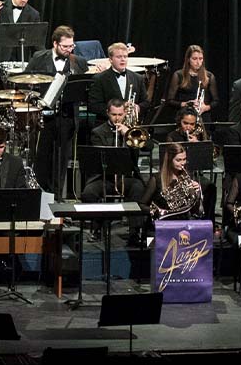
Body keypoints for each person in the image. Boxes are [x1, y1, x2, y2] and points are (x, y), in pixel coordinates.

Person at [25, 25, 87, 196]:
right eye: (65, 46)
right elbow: (25, 80)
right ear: (55, 44)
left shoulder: (78, 62)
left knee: (61, 160)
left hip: (67, 117)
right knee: (42, 158)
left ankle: (57, 198)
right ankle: (40, 196)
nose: (69, 50)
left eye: (71, 46)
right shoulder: (39, 57)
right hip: (44, 117)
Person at [82, 99, 147, 243]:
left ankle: (135, 232)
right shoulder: (98, 132)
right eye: (114, 114)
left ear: (125, 113)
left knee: (138, 188)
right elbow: (99, 158)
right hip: (105, 177)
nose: (117, 118)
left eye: (120, 114)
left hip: (126, 176)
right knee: (88, 193)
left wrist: (127, 134)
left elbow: (147, 147)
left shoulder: (132, 130)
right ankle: (98, 228)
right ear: (107, 113)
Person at [141, 143, 209, 221]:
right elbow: (142, 205)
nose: (183, 163)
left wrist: (197, 193)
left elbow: (196, 211)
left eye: (184, 159)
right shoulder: (156, 179)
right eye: (178, 160)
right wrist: (156, 212)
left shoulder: (188, 177)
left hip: (183, 221)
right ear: (170, 160)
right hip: (162, 222)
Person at [87, 42, 149, 124]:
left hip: (130, 126)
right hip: (106, 125)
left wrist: (138, 107)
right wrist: (116, 111)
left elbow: (146, 102)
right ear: (110, 60)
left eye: (125, 56)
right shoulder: (99, 79)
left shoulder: (138, 78)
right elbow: (93, 106)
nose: (123, 59)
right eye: (119, 57)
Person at [162, 45, 219, 124]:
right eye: (194, 59)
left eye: (200, 59)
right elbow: (169, 100)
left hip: (203, 118)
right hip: (184, 117)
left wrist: (206, 107)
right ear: (188, 59)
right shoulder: (178, 75)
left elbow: (216, 101)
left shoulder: (209, 76)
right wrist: (184, 104)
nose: (198, 62)